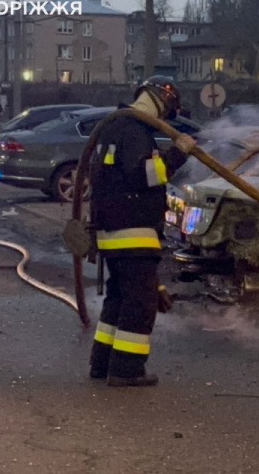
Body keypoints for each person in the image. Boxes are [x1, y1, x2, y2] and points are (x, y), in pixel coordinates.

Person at [88, 76, 197, 387]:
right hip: (133, 229)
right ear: (163, 101)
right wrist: (178, 153)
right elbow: (143, 175)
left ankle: (103, 362)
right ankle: (127, 369)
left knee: (119, 297)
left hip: (111, 230)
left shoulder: (114, 126)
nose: (164, 120)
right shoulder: (135, 130)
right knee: (140, 302)